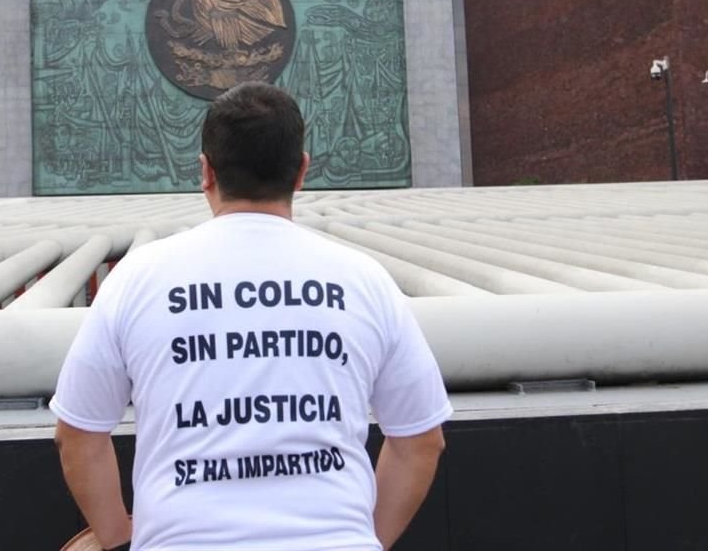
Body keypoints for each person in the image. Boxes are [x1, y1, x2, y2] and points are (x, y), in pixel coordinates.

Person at [51, 82, 451, 551]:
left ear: (205, 171)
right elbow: (422, 441)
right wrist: (361, 539)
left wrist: (118, 537)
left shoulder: (137, 277)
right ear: (301, 171)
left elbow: (77, 434)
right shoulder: (364, 279)